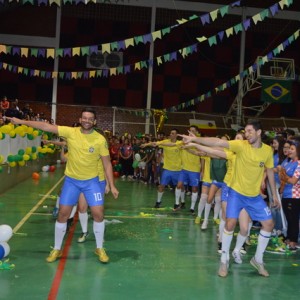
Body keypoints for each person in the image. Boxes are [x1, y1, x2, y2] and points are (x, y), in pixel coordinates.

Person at [7, 108, 119, 263]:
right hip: (72, 181)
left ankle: (99, 248)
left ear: (94, 122)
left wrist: (111, 185)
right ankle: (57, 249)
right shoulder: (70, 132)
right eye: (84, 117)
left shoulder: (100, 140)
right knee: (63, 214)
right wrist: (21, 121)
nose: (86, 120)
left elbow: (107, 164)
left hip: (92, 182)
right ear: (80, 119)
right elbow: (46, 126)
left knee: (98, 214)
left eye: (90, 118)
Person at [180, 119, 280, 277]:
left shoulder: (267, 151)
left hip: (253, 196)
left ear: (259, 132)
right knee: (231, 222)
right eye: (245, 132)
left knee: (268, 224)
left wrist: (274, 194)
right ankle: (224, 259)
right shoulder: (241, 146)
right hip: (236, 193)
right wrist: (195, 140)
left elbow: (269, 172)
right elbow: (217, 143)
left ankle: (258, 259)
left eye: (249, 131)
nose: (246, 135)